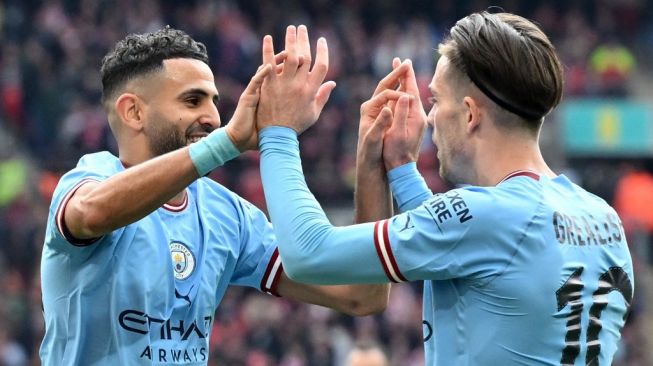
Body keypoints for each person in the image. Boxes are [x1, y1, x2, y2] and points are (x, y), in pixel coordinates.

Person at [256, 14, 634, 365]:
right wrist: (402, 169)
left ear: (470, 114)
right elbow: (471, 259)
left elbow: (307, 253)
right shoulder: (602, 216)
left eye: (436, 100)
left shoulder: (491, 216)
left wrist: (278, 131)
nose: (430, 116)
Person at [40, 27, 389, 365]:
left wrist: (372, 164)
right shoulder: (92, 177)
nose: (212, 117)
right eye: (192, 100)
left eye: (213, 101)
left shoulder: (228, 215)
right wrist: (227, 143)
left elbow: (360, 294)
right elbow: (91, 214)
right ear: (134, 112)